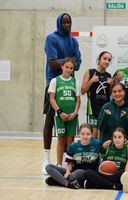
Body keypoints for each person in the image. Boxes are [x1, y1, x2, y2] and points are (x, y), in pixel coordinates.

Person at [42, 13, 81, 174]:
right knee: (50, 121)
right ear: (59, 23)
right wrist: (68, 60)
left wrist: (64, 61)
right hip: (54, 83)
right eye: (64, 22)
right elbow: (52, 63)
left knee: (69, 129)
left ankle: (66, 161)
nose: (67, 25)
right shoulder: (51, 38)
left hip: (69, 86)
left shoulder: (74, 40)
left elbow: (77, 64)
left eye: (69, 22)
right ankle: (45, 159)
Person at [45, 123, 101, 189]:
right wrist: (67, 172)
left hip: (87, 173)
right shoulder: (73, 146)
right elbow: (70, 163)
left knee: (75, 174)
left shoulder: (97, 144)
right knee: (48, 167)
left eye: (88, 134)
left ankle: (60, 180)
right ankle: (68, 183)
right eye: (83, 134)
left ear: (91, 134)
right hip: (74, 171)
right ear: (79, 134)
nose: (85, 136)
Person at [48, 58, 81, 166]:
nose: (69, 69)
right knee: (61, 139)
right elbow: (52, 99)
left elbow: (77, 100)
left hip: (72, 116)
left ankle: (69, 164)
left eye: (71, 68)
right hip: (60, 115)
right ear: (62, 66)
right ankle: (58, 164)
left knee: (70, 140)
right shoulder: (55, 80)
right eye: (67, 67)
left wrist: (75, 112)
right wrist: (60, 112)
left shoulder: (75, 81)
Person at [81, 51, 112, 138]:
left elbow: (109, 94)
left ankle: (101, 152)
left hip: (105, 108)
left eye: (109, 60)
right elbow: (83, 90)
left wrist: (111, 85)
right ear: (99, 59)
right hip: (93, 108)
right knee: (94, 134)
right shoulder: (90, 72)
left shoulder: (109, 75)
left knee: (103, 133)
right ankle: (93, 152)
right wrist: (91, 80)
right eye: (104, 59)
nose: (106, 61)